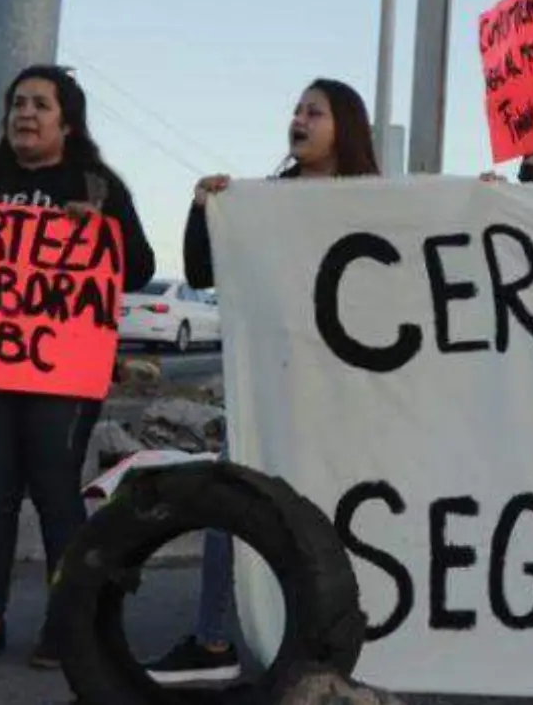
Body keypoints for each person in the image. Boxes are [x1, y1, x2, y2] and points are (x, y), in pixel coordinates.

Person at [147, 79, 379, 685]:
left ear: (343, 128)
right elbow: (203, 270)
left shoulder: (375, 202)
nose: (299, 120)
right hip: (272, 389)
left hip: (343, 391)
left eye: (315, 112)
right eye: (297, 110)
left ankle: (344, 638)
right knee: (235, 506)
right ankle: (214, 638)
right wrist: (206, 211)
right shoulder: (264, 201)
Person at [0, 66, 155, 669]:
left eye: (40, 105)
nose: (26, 114)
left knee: (57, 495)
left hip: (61, 375)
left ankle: (67, 621)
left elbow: (136, 266)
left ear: (67, 121)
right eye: (18, 104)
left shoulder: (95, 182)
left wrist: (100, 230)